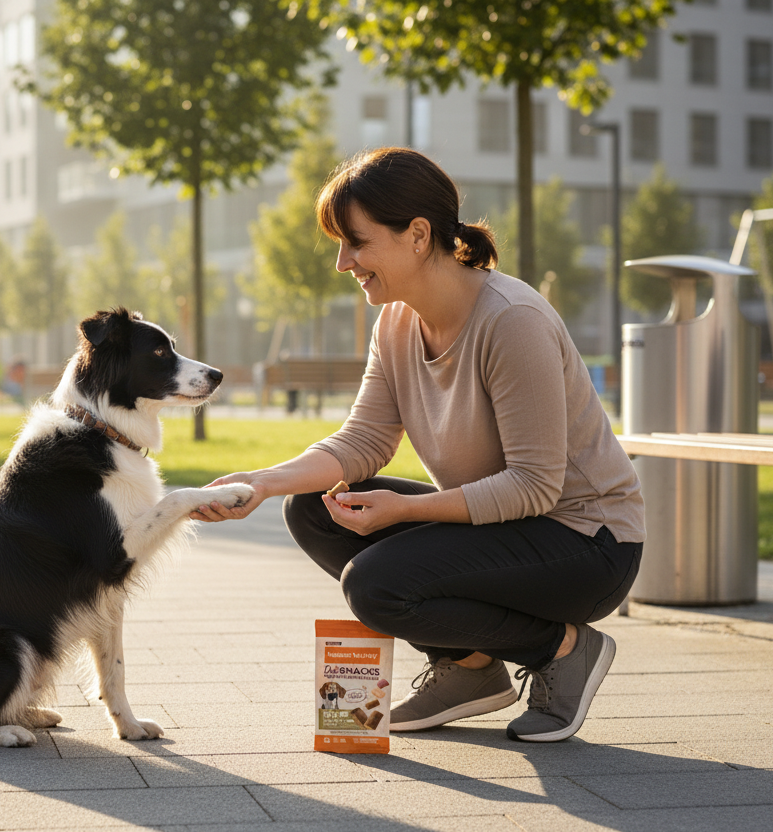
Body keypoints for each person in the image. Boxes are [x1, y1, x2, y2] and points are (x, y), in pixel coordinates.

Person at [192, 147, 644, 743]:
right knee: (312, 509)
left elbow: (536, 487)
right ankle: (471, 668)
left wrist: (406, 510)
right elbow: (364, 439)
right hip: (508, 527)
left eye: (356, 242)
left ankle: (562, 649)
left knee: (375, 583)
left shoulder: (512, 321)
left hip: (587, 543)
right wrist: (261, 483)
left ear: (418, 235)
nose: (343, 262)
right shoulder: (397, 323)